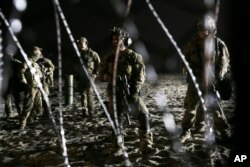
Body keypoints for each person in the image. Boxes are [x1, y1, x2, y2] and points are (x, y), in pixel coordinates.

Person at [99, 27, 153, 153]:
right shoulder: (109, 58)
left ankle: (146, 143)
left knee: (143, 114)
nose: (115, 41)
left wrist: (133, 90)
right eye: (113, 39)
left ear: (124, 39)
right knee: (115, 119)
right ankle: (118, 146)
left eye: (117, 38)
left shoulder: (133, 56)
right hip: (114, 92)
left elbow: (141, 76)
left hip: (131, 91)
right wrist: (107, 77)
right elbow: (101, 73)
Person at [180, 15, 231, 143]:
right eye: (201, 28)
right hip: (195, 81)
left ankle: (224, 132)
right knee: (190, 108)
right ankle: (186, 131)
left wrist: (217, 77)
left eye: (207, 28)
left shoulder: (219, 44)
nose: (204, 31)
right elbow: (185, 61)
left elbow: (224, 63)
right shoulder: (192, 44)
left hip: (211, 82)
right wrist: (188, 72)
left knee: (216, 109)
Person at [18, 46, 43, 129]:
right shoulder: (28, 61)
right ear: (34, 53)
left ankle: (30, 120)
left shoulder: (36, 63)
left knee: (37, 105)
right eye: (38, 52)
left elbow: (40, 75)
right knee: (28, 105)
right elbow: (21, 71)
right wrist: (23, 79)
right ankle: (22, 123)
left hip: (38, 86)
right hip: (31, 86)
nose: (39, 54)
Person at [76, 36, 100, 118]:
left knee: (89, 94)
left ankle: (91, 112)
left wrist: (95, 73)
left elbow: (98, 63)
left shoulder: (92, 53)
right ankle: (84, 111)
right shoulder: (78, 54)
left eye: (82, 43)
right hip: (81, 77)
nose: (81, 45)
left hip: (90, 77)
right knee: (82, 95)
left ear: (86, 43)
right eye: (79, 44)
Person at [36, 48, 55, 116]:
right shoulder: (32, 59)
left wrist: (48, 71)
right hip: (36, 81)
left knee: (45, 96)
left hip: (43, 80)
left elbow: (52, 67)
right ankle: (38, 112)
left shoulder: (45, 60)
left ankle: (47, 112)